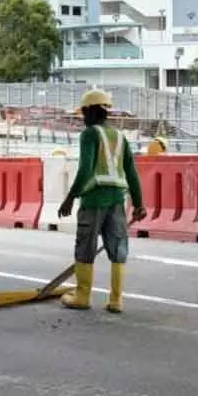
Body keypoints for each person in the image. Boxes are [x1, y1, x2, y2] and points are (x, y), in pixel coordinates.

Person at [57, 88, 148, 313]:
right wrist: (139, 204)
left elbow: (85, 170)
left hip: (93, 200)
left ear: (91, 111)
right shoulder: (120, 137)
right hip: (117, 201)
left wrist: (70, 197)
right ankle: (116, 300)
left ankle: (82, 296)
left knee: (85, 247)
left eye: (83, 113)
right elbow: (132, 173)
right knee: (118, 248)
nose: (82, 118)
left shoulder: (89, 134)